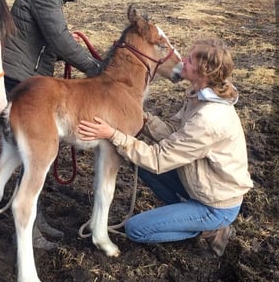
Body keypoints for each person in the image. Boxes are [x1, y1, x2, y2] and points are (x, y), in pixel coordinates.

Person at [77, 37, 252, 257]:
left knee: (137, 230)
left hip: (215, 204)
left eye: (189, 60)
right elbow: (172, 132)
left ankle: (207, 229)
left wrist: (114, 135)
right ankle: (184, 211)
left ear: (203, 72)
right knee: (137, 162)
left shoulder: (209, 119)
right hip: (199, 184)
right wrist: (136, 115)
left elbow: (158, 159)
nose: (183, 61)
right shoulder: (199, 96)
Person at [3, 0, 103, 250]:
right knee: (31, 157)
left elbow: (52, 36)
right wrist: (94, 67)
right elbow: (59, 39)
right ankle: (26, 225)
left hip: (27, 75)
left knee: (35, 156)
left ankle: (36, 218)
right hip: (20, 80)